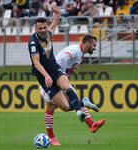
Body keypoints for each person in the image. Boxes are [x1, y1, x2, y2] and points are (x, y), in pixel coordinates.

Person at [28, 5, 95, 144]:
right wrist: (46, 76)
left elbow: (52, 27)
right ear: (35, 29)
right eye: (39, 28)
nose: (43, 30)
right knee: (64, 107)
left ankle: (78, 111)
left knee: (66, 85)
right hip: (43, 76)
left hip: (55, 68)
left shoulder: (48, 34)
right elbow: (36, 62)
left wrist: (57, 15)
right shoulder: (33, 43)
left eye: (44, 27)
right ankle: (83, 103)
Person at [41, 34, 106, 146]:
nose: (95, 48)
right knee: (52, 107)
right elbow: (62, 58)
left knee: (72, 102)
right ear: (87, 43)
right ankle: (51, 137)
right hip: (50, 78)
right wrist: (60, 74)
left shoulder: (80, 54)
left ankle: (91, 124)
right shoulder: (75, 50)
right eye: (94, 45)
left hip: (59, 80)